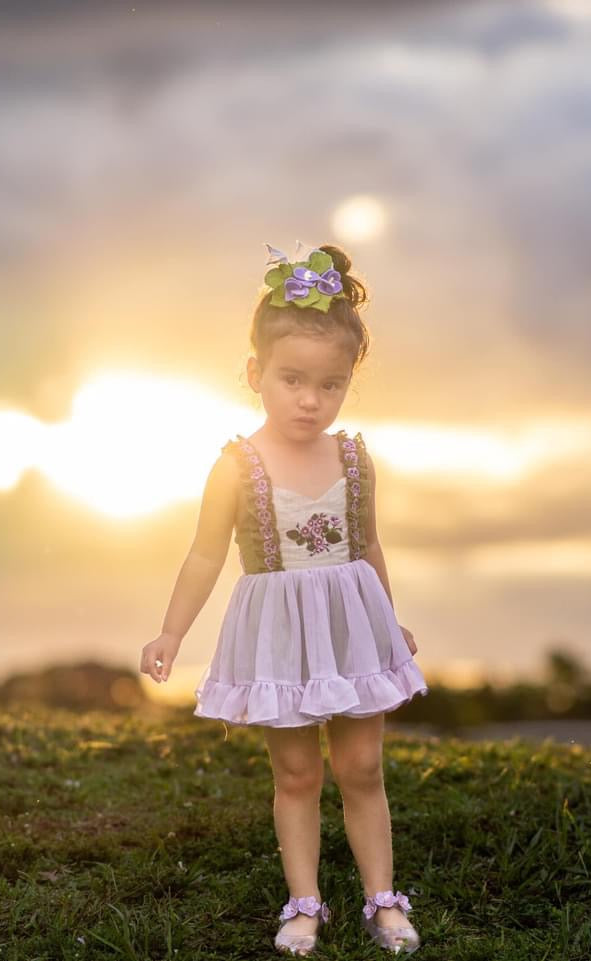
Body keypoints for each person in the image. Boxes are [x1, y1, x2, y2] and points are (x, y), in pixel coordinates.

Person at [140, 240, 429, 956]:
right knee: (297, 771)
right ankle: (304, 901)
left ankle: (381, 898)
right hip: (279, 635)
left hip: (350, 629)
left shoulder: (355, 459)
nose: (311, 398)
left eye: (330, 384)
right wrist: (171, 633)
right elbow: (206, 553)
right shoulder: (236, 466)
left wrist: (389, 624)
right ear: (255, 373)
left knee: (362, 767)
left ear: (348, 381)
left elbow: (365, 548)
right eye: (293, 379)